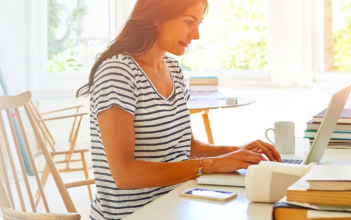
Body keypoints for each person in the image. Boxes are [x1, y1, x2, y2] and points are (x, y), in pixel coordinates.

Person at [76, 0, 282, 219]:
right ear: (156, 17)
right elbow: (125, 175)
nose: (195, 35)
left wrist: (237, 152)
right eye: (188, 22)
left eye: (198, 23)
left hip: (176, 202)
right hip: (133, 214)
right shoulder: (117, 72)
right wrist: (212, 165)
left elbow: (188, 146)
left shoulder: (173, 68)